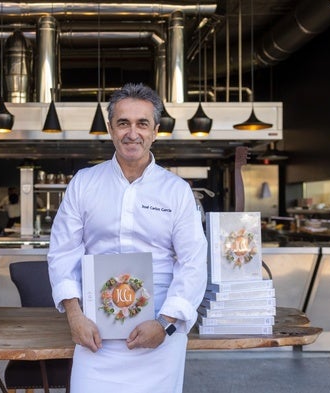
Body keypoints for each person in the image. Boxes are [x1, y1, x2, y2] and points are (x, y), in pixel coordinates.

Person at [47, 83, 208, 393]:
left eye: (142, 123)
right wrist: (74, 316)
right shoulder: (84, 183)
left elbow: (193, 261)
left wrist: (165, 323)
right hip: (96, 333)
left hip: (158, 331)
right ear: (111, 129)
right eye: (123, 123)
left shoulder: (176, 191)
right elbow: (62, 252)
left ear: (156, 131)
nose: (132, 133)